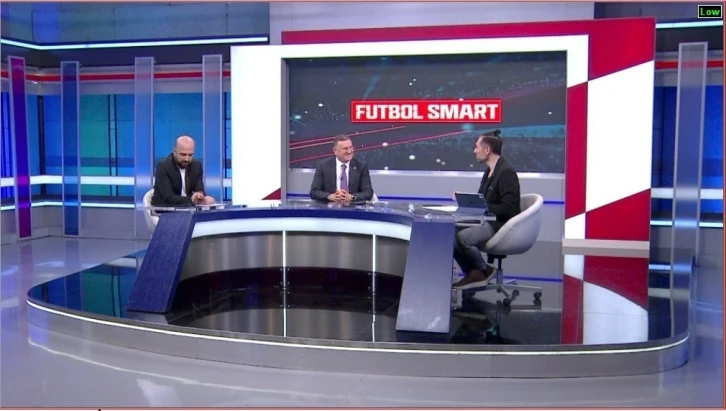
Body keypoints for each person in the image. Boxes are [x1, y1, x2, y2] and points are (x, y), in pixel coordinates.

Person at [453, 130, 521, 288]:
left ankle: (483, 269)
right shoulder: (489, 171)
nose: (474, 151)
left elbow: (509, 209)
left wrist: (483, 207)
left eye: (477, 147)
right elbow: (483, 200)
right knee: (450, 231)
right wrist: (467, 200)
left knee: (463, 238)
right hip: (486, 220)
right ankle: (474, 273)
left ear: (487, 149)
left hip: (499, 224)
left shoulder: (506, 173)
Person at [151, 135, 216, 207]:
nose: (187, 159)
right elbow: (169, 198)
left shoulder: (196, 166)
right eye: (183, 154)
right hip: (165, 209)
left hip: (189, 209)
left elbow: (199, 189)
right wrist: (193, 200)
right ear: (174, 151)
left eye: (190, 155)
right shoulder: (163, 167)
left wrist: (200, 195)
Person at [309, 134, 374, 203]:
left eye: (351, 147)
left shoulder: (361, 166)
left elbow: (368, 193)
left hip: (354, 207)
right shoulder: (323, 166)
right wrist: (330, 196)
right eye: (345, 149)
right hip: (329, 207)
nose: (349, 151)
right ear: (335, 151)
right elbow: (314, 192)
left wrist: (352, 197)